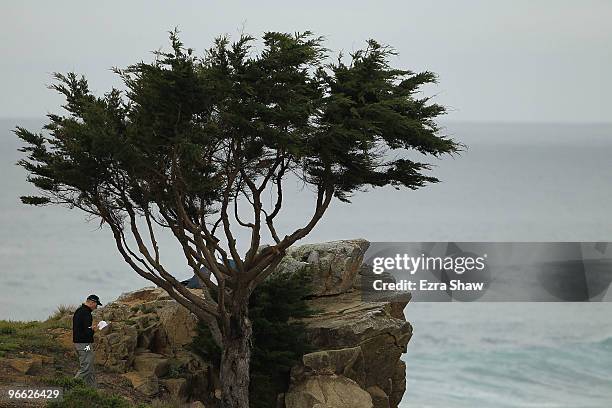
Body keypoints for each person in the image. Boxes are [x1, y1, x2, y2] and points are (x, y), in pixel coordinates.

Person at [72, 294, 102, 387]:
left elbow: (82, 328)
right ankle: (71, 386)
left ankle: (92, 390)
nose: (96, 307)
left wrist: (90, 329)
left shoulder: (79, 311)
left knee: (90, 366)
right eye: (96, 305)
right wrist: (93, 329)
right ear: (92, 302)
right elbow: (87, 331)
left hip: (85, 344)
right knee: (86, 367)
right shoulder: (86, 313)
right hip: (84, 344)